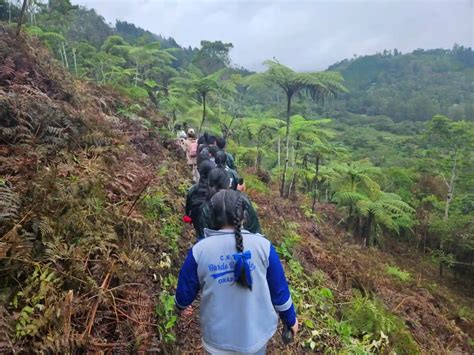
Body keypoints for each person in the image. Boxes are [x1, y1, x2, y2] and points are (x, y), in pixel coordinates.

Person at [175, 190, 298, 354]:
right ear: (244, 216)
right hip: (256, 338)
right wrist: (290, 320)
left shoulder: (200, 251)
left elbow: (183, 296)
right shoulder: (264, 247)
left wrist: (180, 307)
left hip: (216, 341)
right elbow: (280, 292)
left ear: (211, 217)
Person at [200, 168, 260, 234]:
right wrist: (240, 193)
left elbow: (203, 233)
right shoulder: (242, 200)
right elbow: (255, 229)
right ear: (229, 184)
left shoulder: (206, 207)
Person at [185, 160, 215, 240]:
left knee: (200, 236)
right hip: (214, 224)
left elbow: (188, 210)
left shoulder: (192, 190)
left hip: (196, 220)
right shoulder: (216, 191)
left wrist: (189, 217)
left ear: (199, 171)